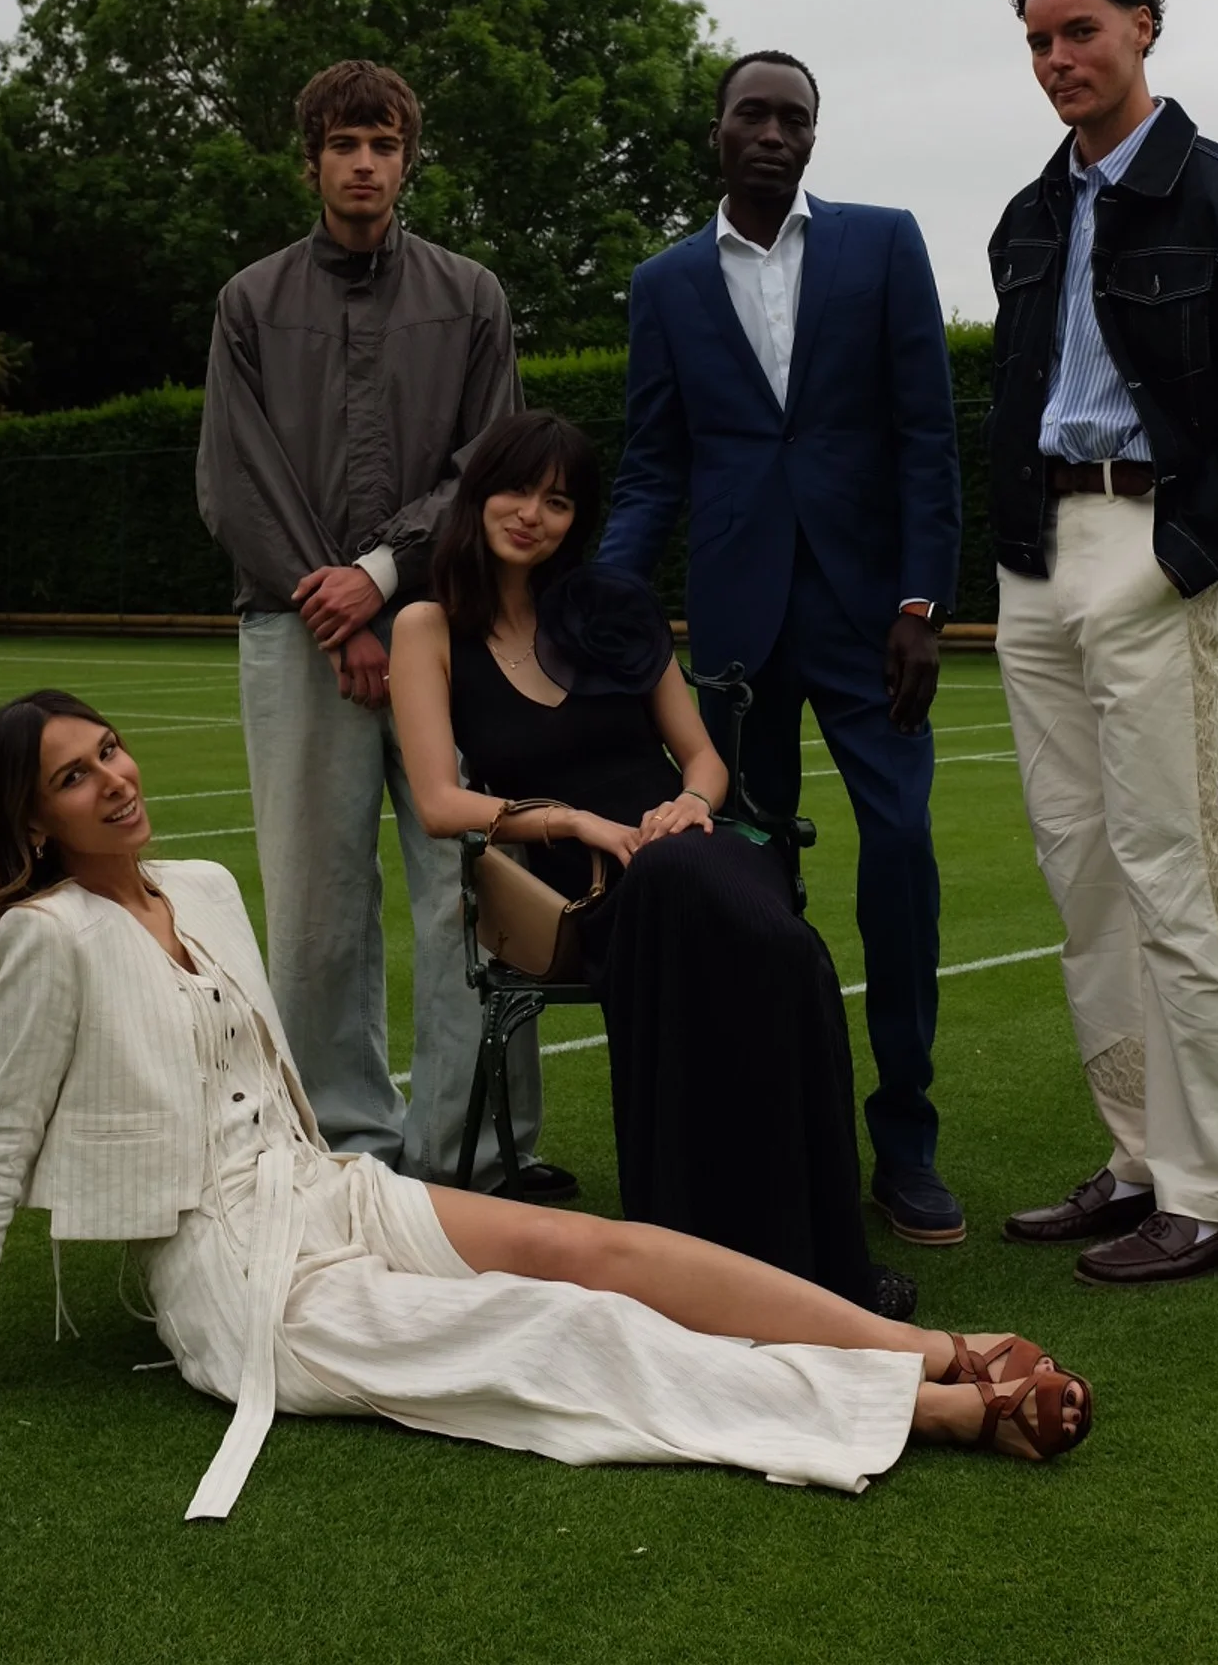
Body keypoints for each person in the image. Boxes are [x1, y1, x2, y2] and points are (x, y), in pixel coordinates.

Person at [0, 692, 1092, 1515]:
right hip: (234, 1279)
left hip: (325, 1192)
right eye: (73, 776)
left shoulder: (201, 885)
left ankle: (933, 1345)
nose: (114, 777)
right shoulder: (44, 937)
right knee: (551, 1330)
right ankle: (930, 1410)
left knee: (601, 1250)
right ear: (30, 820)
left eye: (109, 748)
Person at [391, 410, 912, 1317]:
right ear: (478, 496)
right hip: (580, 877)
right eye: (516, 491)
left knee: (758, 934)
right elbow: (439, 802)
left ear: (578, 521)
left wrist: (691, 804)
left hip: (690, 843)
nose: (532, 515)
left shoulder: (610, 607)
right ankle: (743, 1260)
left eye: (559, 501)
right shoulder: (428, 628)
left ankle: (811, 1262)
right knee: (726, 920)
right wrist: (573, 822)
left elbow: (702, 757)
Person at [987, 0, 1218, 1285]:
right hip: (1037, 559)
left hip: (1152, 547)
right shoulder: (1029, 214)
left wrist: (1178, 559)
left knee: (1172, 869)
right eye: (1037, 40)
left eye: (1080, 30)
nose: (1057, 59)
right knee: (1081, 875)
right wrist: (1011, 558)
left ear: (1142, 26)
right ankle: (1138, 1164)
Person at [597, 52, 965, 1249]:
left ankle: (905, 1143)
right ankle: (781, 1146)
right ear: (717, 132)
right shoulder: (664, 283)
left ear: (814, 136)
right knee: (752, 890)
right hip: (735, 640)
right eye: (751, 115)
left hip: (871, 628)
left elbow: (927, 437)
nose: (772, 132)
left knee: (899, 855)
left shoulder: (885, 245)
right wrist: (603, 600)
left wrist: (923, 604)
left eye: (792, 118)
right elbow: (655, 465)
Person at [197, 58, 548, 1190]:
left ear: (408, 160)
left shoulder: (473, 296)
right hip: (299, 636)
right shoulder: (249, 304)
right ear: (310, 162)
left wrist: (382, 577)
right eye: (343, 144)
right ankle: (340, 1150)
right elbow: (235, 480)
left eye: (383, 144)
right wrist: (336, 607)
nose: (363, 163)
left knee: (471, 885)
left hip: (445, 625)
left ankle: (473, 1153)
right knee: (316, 907)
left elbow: (487, 466)